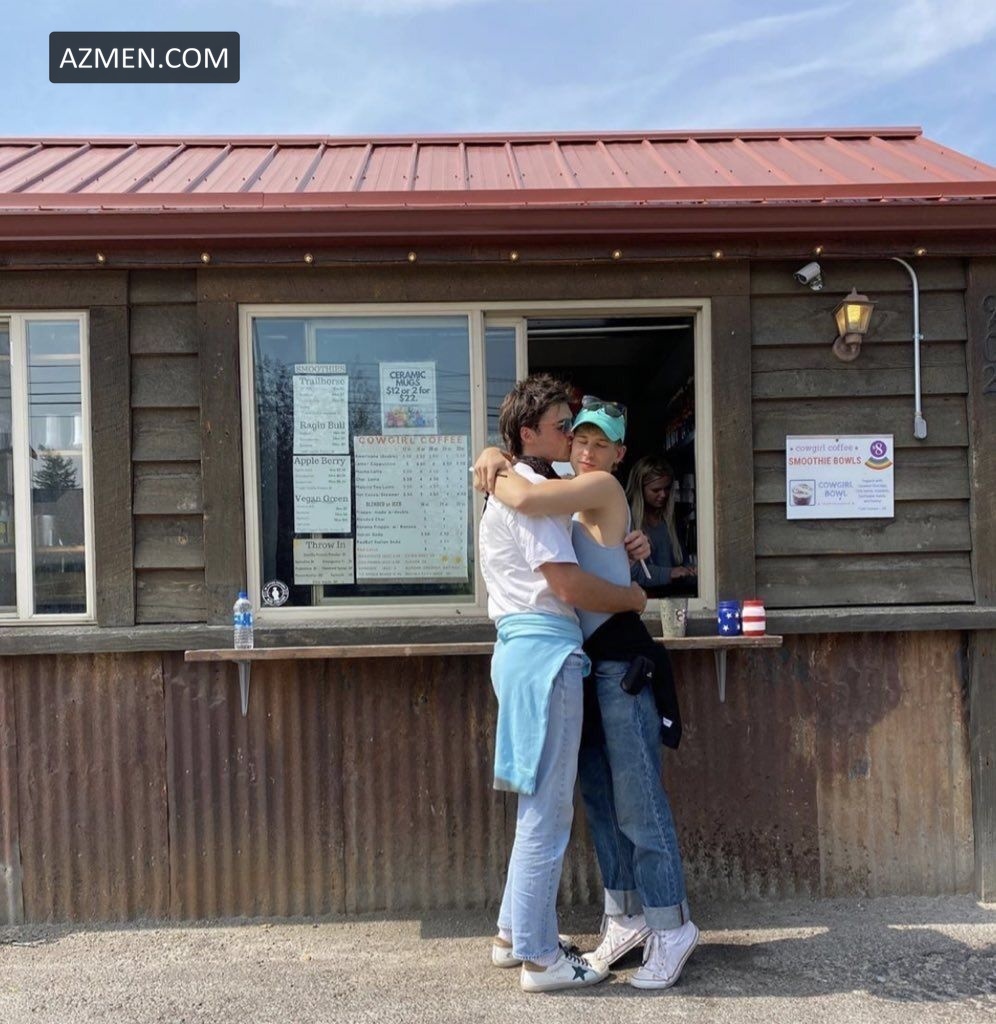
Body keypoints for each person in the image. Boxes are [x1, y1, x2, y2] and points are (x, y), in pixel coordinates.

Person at [476, 396, 698, 991]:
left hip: (621, 660)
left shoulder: (591, 487)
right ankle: (626, 919)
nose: (588, 451)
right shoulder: (569, 494)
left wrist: (496, 461)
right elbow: (544, 505)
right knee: (600, 801)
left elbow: (527, 499)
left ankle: (672, 926)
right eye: (579, 438)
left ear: (620, 454)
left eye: (602, 443)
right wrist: (498, 453)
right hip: (585, 663)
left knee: (637, 800)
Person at [625, 456, 696, 591]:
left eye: (667, 488)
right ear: (640, 489)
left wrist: (689, 569)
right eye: (656, 490)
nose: (663, 494)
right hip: (642, 598)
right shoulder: (626, 520)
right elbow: (631, 571)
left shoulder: (671, 519)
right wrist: (670, 573)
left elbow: (681, 559)